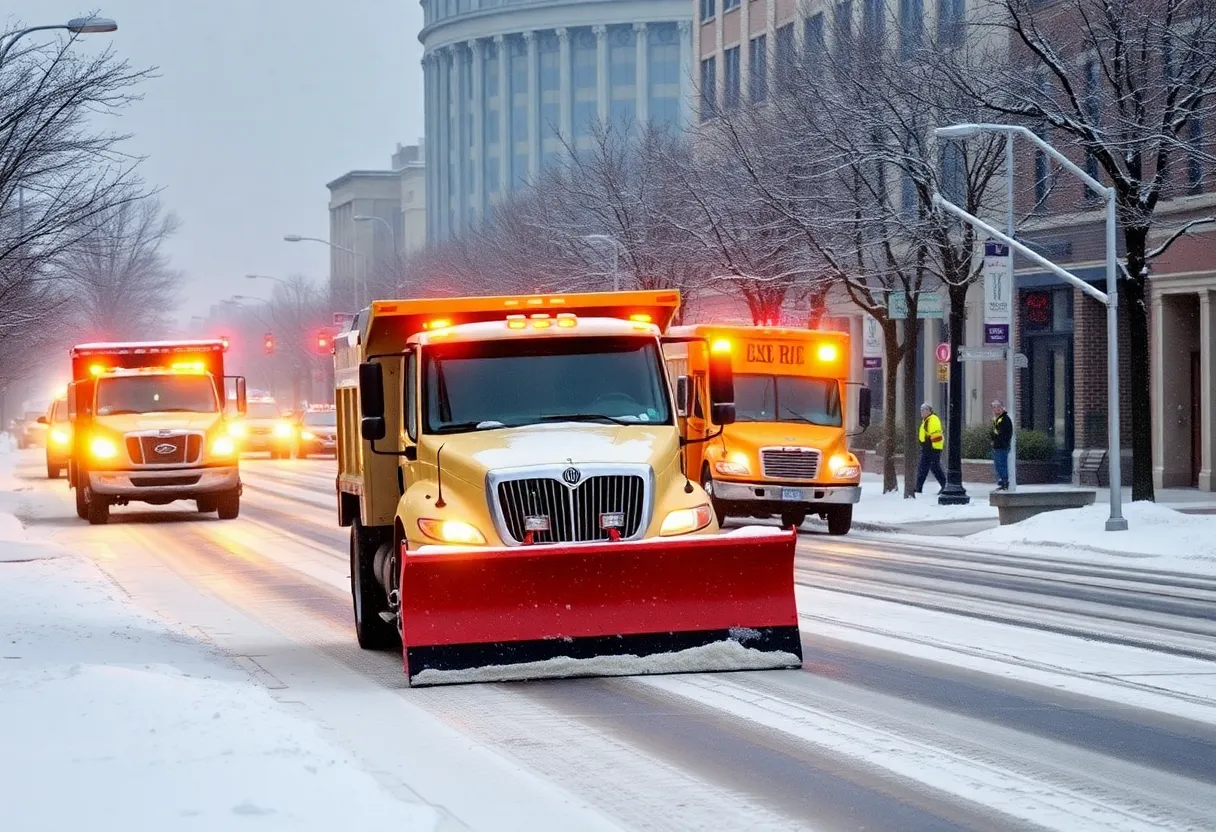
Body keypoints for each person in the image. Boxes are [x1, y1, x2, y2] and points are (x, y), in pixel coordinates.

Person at [916, 402, 946, 494]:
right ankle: (918, 488)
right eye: (921, 410)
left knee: (934, 467)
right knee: (923, 468)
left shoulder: (932, 419)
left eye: (923, 410)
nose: (921, 412)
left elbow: (936, 434)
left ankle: (945, 485)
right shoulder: (926, 420)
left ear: (928, 411)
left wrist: (933, 447)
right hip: (927, 448)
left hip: (932, 448)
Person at [991, 399, 1013, 491]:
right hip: (997, 446)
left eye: (997, 407)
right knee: (998, 464)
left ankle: (1004, 481)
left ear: (1001, 408)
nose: (995, 409)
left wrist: (1000, 441)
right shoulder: (997, 419)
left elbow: (1005, 433)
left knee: (1002, 464)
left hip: (1002, 446)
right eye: (993, 407)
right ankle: (1001, 480)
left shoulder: (1004, 419)